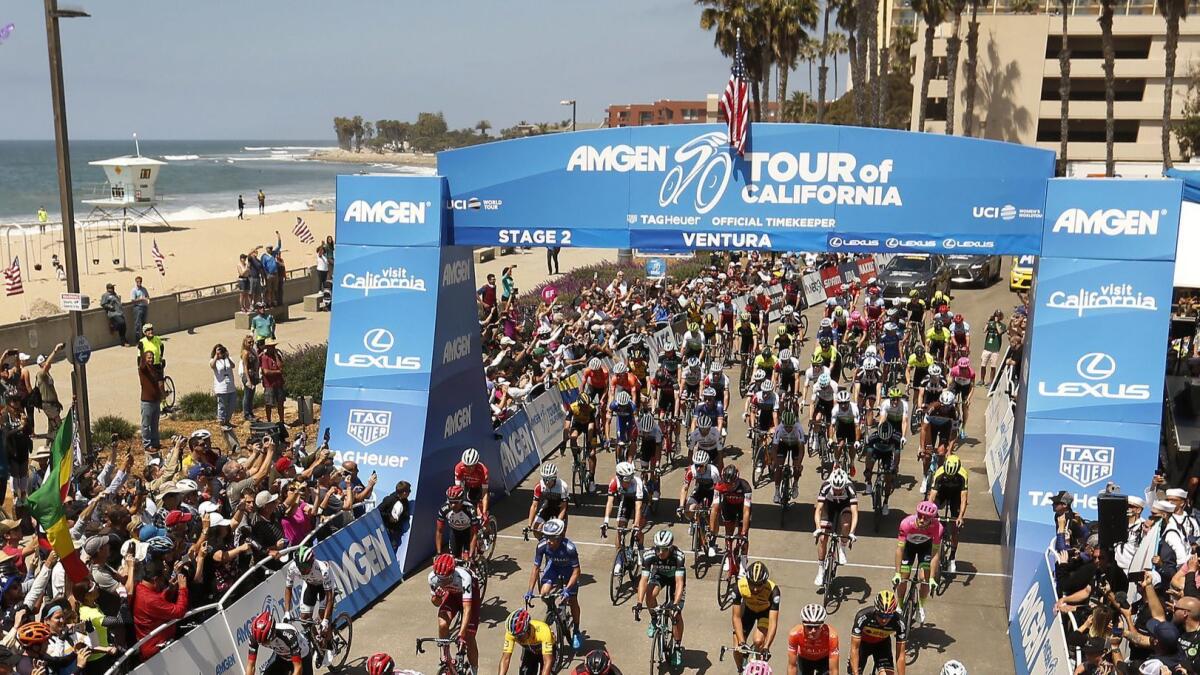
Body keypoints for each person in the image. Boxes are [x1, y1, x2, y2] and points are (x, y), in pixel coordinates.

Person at [524, 518, 583, 649]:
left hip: (569, 571)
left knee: (573, 599)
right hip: (554, 568)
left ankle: (577, 631)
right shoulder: (542, 546)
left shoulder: (570, 548)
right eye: (547, 537)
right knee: (544, 593)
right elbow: (535, 568)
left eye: (552, 538)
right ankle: (553, 610)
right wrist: (530, 591)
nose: (548, 541)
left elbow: (577, 571)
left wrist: (567, 589)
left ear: (561, 537)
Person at [637, 529, 687, 667]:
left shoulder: (679, 556)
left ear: (670, 547)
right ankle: (654, 619)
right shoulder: (649, 555)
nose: (660, 552)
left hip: (675, 579)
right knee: (650, 593)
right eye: (658, 548)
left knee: (675, 614)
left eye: (664, 549)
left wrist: (676, 604)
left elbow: (679, 583)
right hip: (659, 576)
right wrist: (639, 603)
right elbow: (643, 580)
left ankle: (677, 648)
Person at [283, 545, 337, 667]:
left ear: (311, 562)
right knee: (305, 618)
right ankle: (316, 641)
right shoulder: (293, 568)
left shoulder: (323, 569)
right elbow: (288, 589)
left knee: (323, 616)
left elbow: (329, 598)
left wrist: (326, 621)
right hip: (310, 585)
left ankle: (330, 643)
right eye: (300, 566)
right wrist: (287, 612)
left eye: (305, 567)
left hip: (325, 587)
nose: (301, 570)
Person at [429, 553, 481, 671]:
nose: (442, 582)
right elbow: (436, 603)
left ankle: (474, 670)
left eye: (446, 579)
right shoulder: (432, 577)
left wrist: (461, 634)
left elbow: (467, 608)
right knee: (442, 623)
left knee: (469, 637)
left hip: (470, 596)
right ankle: (445, 654)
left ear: (452, 572)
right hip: (452, 595)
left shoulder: (464, 577)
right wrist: (437, 597)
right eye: (440, 579)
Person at [132, 558, 189, 659]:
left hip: (157, 647)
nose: (164, 582)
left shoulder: (140, 587)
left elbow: (157, 603)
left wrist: (169, 590)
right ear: (155, 579)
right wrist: (183, 588)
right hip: (158, 654)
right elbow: (180, 611)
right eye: (163, 579)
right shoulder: (150, 600)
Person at [732, 560, 781, 673]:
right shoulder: (739, 586)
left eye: (758, 585)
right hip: (747, 611)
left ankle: (758, 667)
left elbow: (773, 622)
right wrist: (741, 642)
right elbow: (736, 617)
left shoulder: (773, 591)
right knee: (737, 649)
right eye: (752, 584)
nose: (754, 588)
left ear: (764, 582)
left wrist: (766, 647)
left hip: (764, 613)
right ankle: (741, 670)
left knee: (758, 641)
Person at [849, 591, 907, 675]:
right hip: (862, 645)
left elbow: (900, 655)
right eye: (881, 615)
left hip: (882, 645)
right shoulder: (863, 616)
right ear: (875, 610)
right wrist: (855, 672)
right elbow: (854, 648)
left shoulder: (899, 622)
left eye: (888, 616)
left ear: (893, 613)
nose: (884, 620)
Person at [247, 610, 313, 675]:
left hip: (302, 655)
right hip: (281, 655)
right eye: (260, 642)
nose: (263, 644)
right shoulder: (254, 636)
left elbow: (298, 668)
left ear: (273, 633)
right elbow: (251, 666)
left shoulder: (288, 634)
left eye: (266, 641)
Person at [498, 608, 555, 675]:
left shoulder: (543, 631)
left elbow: (547, 661)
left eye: (520, 636)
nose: (517, 638)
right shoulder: (511, 633)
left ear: (528, 629)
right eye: (515, 636)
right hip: (529, 650)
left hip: (546, 651)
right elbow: (505, 659)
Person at [788, 603, 840, 675]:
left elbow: (834, 670)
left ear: (822, 625)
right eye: (809, 627)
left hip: (824, 660)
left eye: (817, 627)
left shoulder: (831, 636)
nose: (813, 631)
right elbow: (792, 666)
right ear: (803, 625)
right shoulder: (795, 634)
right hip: (804, 660)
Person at [33, 344, 64, 437]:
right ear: (41, 363)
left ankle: (48, 444)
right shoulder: (41, 375)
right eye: (46, 361)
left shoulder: (47, 374)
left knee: (52, 427)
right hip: (48, 405)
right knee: (59, 426)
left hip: (52, 404)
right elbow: (46, 365)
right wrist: (55, 351)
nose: (49, 362)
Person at [138, 350, 163, 450]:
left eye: (152, 357)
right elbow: (142, 364)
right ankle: (147, 445)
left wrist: (161, 395)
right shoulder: (143, 369)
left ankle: (155, 442)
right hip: (147, 401)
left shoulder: (154, 369)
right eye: (148, 357)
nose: (151, 359)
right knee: (146, 424)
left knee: (154, 423)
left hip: (155, 400)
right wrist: (141, 350)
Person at [210, 343, 236, 429]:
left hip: (231, 387)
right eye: (218, 350)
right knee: (222, 406)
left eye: (221, 350)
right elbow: (212, 366)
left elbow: (233, 365)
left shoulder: (227, 359)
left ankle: (227, 421)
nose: (220, 352)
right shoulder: (214, 360)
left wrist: (227, 356)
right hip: (221, 388)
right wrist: (216, 356)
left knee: (231, 405)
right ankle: (222, 422)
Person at [260, 339, 285, 423]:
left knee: (280, 402)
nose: (273, 348)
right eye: (271, 347)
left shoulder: (277, 356)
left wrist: (276, 356)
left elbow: (281, 367)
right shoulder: (264, 357)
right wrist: (277, 372)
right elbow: (266, 372)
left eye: (274, 346)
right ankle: (269, 420)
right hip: (269, 384)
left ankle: (282, 421)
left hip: (278, 383)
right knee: (269, 404)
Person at [979, 310, 1006, 386]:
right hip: (987, 348)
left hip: (995, 349)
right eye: (996, 315)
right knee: (983, 364)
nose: (996, 317)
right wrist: (988, 322)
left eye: (998, 315)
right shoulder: (990, 323)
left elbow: (1000, 332)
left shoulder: (1003, 325)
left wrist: (997, 323)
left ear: (1001, 317)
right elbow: (984, 331)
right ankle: (982, 380)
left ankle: (991, 382)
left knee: (993, 366)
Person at [239, 334, 261, 422]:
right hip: (248, 376)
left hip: (253, 375)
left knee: (251, 395)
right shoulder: (245, 352)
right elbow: (245, 367)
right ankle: (246, 414)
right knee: (247, 394)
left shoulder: (252, 350)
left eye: (252, 342)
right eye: (249, 342)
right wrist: (248, 380)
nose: (251, 344)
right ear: (245, 343)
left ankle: (250, 412)